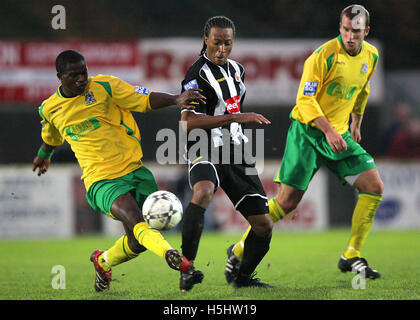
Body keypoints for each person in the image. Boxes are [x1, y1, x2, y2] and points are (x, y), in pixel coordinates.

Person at [225, 4, 385, 281]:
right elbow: (305, 101)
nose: (350, 36)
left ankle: (351, 254)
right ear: (340, 27)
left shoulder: (371, 56)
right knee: (286, 203)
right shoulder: (322, 57)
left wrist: (356, 123)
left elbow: (363, 88)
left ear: (366, 32)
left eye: (356, 32)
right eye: (346, 30)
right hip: (308, 133)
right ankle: (238, 251)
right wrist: (328, 131)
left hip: (340, 136)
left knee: (374, 187)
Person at [32, 49, 206, 292]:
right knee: (135, 219)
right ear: (60, 76)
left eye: (84, 72)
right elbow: (51, 135)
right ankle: (177, 260)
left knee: (138, 242)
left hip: (135, 171)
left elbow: (144, 99)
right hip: (100, 180)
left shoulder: (105, 86)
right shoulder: (50, 109)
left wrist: (176, 99)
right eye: (74, 75)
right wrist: (44, 154)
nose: (81, 79)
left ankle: (102, 261)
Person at [179, 16, 273, 291]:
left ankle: (242, 279)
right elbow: (187, 121)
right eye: (217, 42)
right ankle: (187, 268)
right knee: (203, 191)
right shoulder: (196, 75)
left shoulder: (238, 71)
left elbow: (232, 111)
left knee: (264, 226)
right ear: (206, 39)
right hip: (204, 145)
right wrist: (236, 118)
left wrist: (236, 121)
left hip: (236, 150)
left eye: (227, 43)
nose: (222, 49)